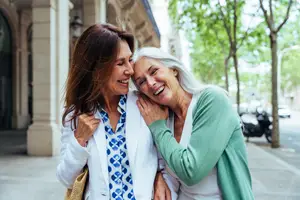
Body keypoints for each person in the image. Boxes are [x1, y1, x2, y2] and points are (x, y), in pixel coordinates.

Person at [56, 24, 171, 200]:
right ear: (97, 68)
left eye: (129, 60)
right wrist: (79, 140)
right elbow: (66, 178)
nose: (130, 71)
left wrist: (161, 176)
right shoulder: (76, 114)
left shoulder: (145, 103)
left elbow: (164, 151)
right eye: (120, 63)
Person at [132, 47, 254, 200]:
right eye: (141, 82)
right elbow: (169, 171)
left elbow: (191, 172)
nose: (150, 83)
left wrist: (158, 127)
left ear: (173, 69)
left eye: (154, 71)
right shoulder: (164, 118)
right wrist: (158, 176)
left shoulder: (212, 100)